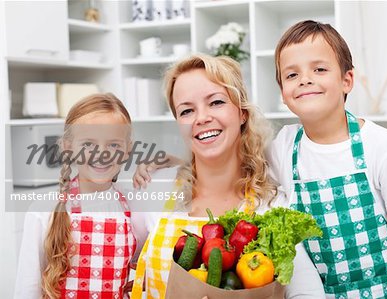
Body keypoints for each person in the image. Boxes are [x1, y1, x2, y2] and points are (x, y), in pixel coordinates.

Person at [130, 54, 325, 298]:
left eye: (216, 102)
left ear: (242, 113)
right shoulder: (154, 189)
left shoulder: (270, 205)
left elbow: (307, 293)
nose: (201, 118)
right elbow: (118, 266)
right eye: (187, 110)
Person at [269, 20, 387, 298]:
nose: (305, 79)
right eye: (291, 75)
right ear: (283, 93)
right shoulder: (282, 147)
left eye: (319, 69)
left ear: (346, 80)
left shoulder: (385, 148)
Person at [14, 93, 142, 298]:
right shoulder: (44, 211)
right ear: (68, 147)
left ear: (128, 150)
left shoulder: (135, 208)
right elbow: (27, 289)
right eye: (88, 144)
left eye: (114, 144)